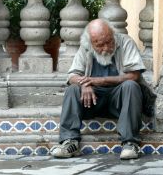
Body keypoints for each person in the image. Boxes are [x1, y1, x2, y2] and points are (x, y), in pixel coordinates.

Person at [51, 19, 153, 160]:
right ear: (91, 43)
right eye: (99, 45)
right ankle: (69, 142)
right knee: (72, 89)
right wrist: (84, 84)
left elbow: (134, 75)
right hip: (92, 101)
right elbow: (72, 75)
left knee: (131, 85)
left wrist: (100, 81)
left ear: (113, 35)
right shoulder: (85, 47)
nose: (106, 48)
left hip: (121, 100)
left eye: (109, 42)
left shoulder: (125, 42)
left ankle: (130, 143)